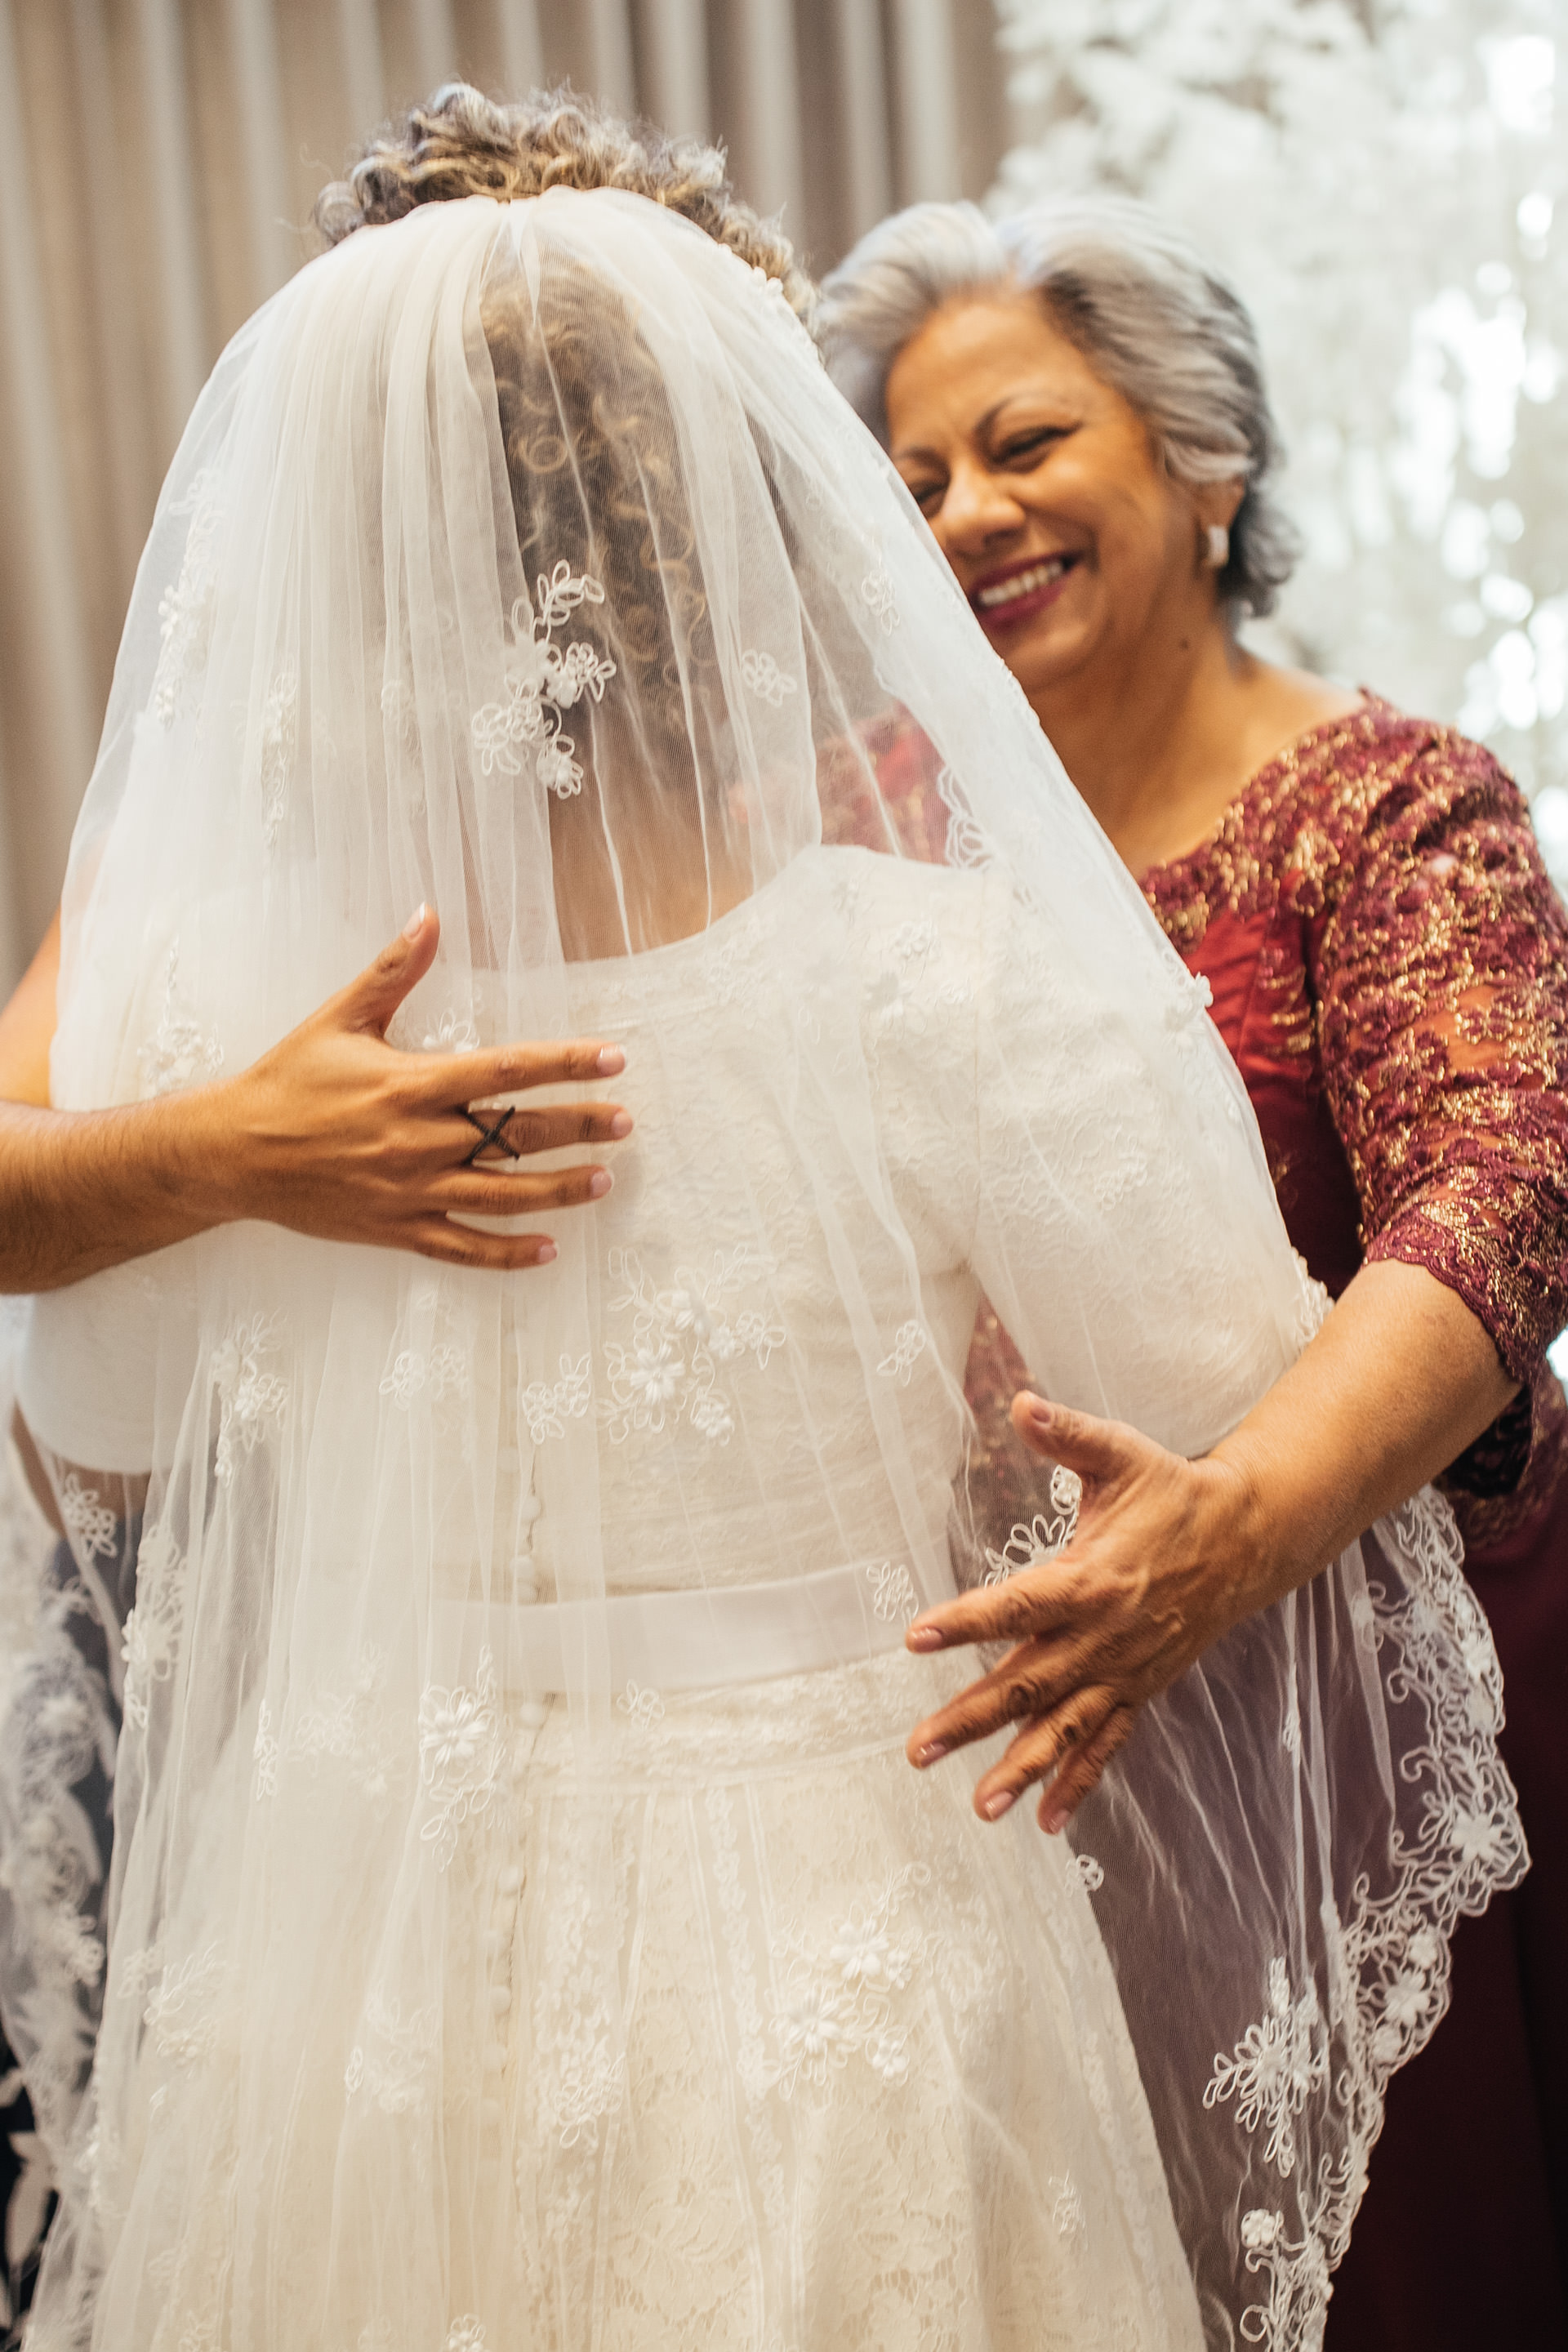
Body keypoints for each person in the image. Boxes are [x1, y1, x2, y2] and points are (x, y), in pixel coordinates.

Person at [7, 115, 1522, 2351]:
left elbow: (107, 1454)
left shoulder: (196, 995)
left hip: (349, 1948)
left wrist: (225, 1157)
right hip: (835, 1919)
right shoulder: (936, 973)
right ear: (741, 527)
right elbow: (1215, 1389)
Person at [819, 193, 1568, 2349]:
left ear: (1209, 464)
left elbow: (1499, 1196)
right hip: (992, 1724)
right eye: (919, 485)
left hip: (1352, 1710)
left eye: (1028, 445)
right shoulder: (864, 826)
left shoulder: (1390, 807)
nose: (969, 514)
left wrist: (1219, 1544)